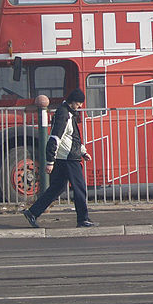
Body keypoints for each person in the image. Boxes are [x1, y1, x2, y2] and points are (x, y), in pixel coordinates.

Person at [22, 89, 95, 228]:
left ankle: (33, 212)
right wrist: (50, 161)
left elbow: (72, 138)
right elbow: (55, 138)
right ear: (72, 101)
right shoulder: (64, 114)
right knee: (80, 189)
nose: (80, 106)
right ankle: (83, 219)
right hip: (68, 159)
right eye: (79, 103)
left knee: (56, 189)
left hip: (66, 157)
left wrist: (83, 152)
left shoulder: (67, 113)